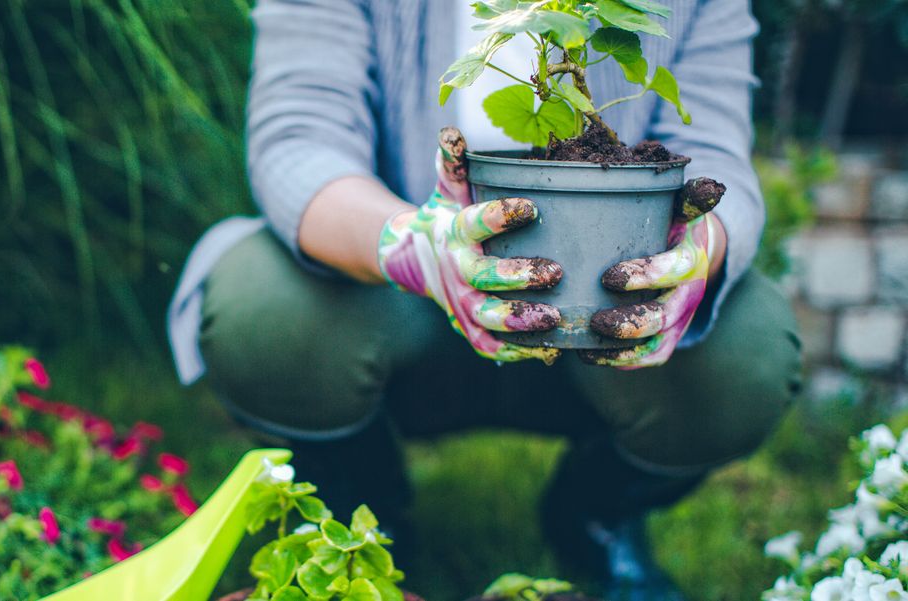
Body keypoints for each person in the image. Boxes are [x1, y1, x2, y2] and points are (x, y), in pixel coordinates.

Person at [167, 1, 802, 598]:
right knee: (263, 308)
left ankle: (597, 512)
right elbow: (299, 139)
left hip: (602, 301)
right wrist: (411, 246)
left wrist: (700, 248)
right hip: (388, 296)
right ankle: (361, 501)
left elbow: (714, 148)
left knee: (745, 353)